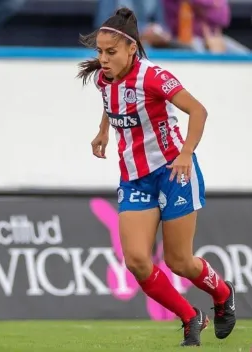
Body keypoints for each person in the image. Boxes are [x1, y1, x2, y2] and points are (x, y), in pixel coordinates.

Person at [77, 7, 235, 347]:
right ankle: (191, 317)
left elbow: (198, 110)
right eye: (100, 52)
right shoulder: (106, 79)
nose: (103, 59)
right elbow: (111, 102)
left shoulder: (154, 77)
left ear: (132, 48)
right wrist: (103, 131)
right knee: (136, 260)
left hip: (173, 173)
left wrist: (186, 153)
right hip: (134, 178)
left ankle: (222, 294)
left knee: (180, 262)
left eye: (110, 52)